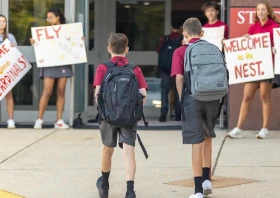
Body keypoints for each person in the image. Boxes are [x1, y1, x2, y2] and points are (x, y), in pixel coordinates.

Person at [171, 18, 223, 198]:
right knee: (208, 136)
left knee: (196, 141)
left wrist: (181, 98)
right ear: (202, 33)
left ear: (184, 34)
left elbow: (179, 78)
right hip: (212, 97)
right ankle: (207, 179)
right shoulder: (212, 48)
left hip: (193, 97)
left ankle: (198, 190)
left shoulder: (180, 51)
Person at [93, 33, 148, 198]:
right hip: (129, 117)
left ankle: (104, 185)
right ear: (127, 49)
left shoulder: (103, 68)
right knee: (129, 152)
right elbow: (143, 94)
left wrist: (104, 112)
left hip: (108, 117)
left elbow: (97, 94)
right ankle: (130, 191)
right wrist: (134, 113)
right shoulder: (134, 69)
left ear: (109, 48)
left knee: (107, 150)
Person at [227, 1, 280, 139]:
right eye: (258, 10)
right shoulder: (253, 28)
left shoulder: (275, 27)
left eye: (263, 9)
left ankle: (265, 129)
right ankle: (239, 128)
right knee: (246, 97)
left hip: (267, 66)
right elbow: (250, 48)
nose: (261, 12)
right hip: (254, 68)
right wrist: (247, 39)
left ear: (268, 11)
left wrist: (275, 49)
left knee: (264, 96)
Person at [30, 8, 84, 129]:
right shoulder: (44, 32)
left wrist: (80, 41)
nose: (49, 20)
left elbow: (74, 43)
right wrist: (35, 42)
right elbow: (40, 46)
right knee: (47, 91)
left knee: (61, 91)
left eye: (51, 17)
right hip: (49, 63)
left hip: (63, 63)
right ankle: (39, 119)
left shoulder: (67, 30)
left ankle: (59, 120)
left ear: (58, 17)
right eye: (47, 18)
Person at [157, 22, 183, 122]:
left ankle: (163, 114)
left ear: (171, 28)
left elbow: (158, 50)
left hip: (165, 70)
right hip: (177, 69)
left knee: (164, 92)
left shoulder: (165, 39)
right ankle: (178, 115)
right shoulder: (181, 39)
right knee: (178, 92)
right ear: (180, 28)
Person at [0, 14, 18, 129]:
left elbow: (15, 52)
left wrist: (13, 46)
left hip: (5, 69)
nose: (2, 23)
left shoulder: (10, 36)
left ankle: (11, 120)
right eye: (0, 21)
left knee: (8, 94)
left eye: (4, 21)